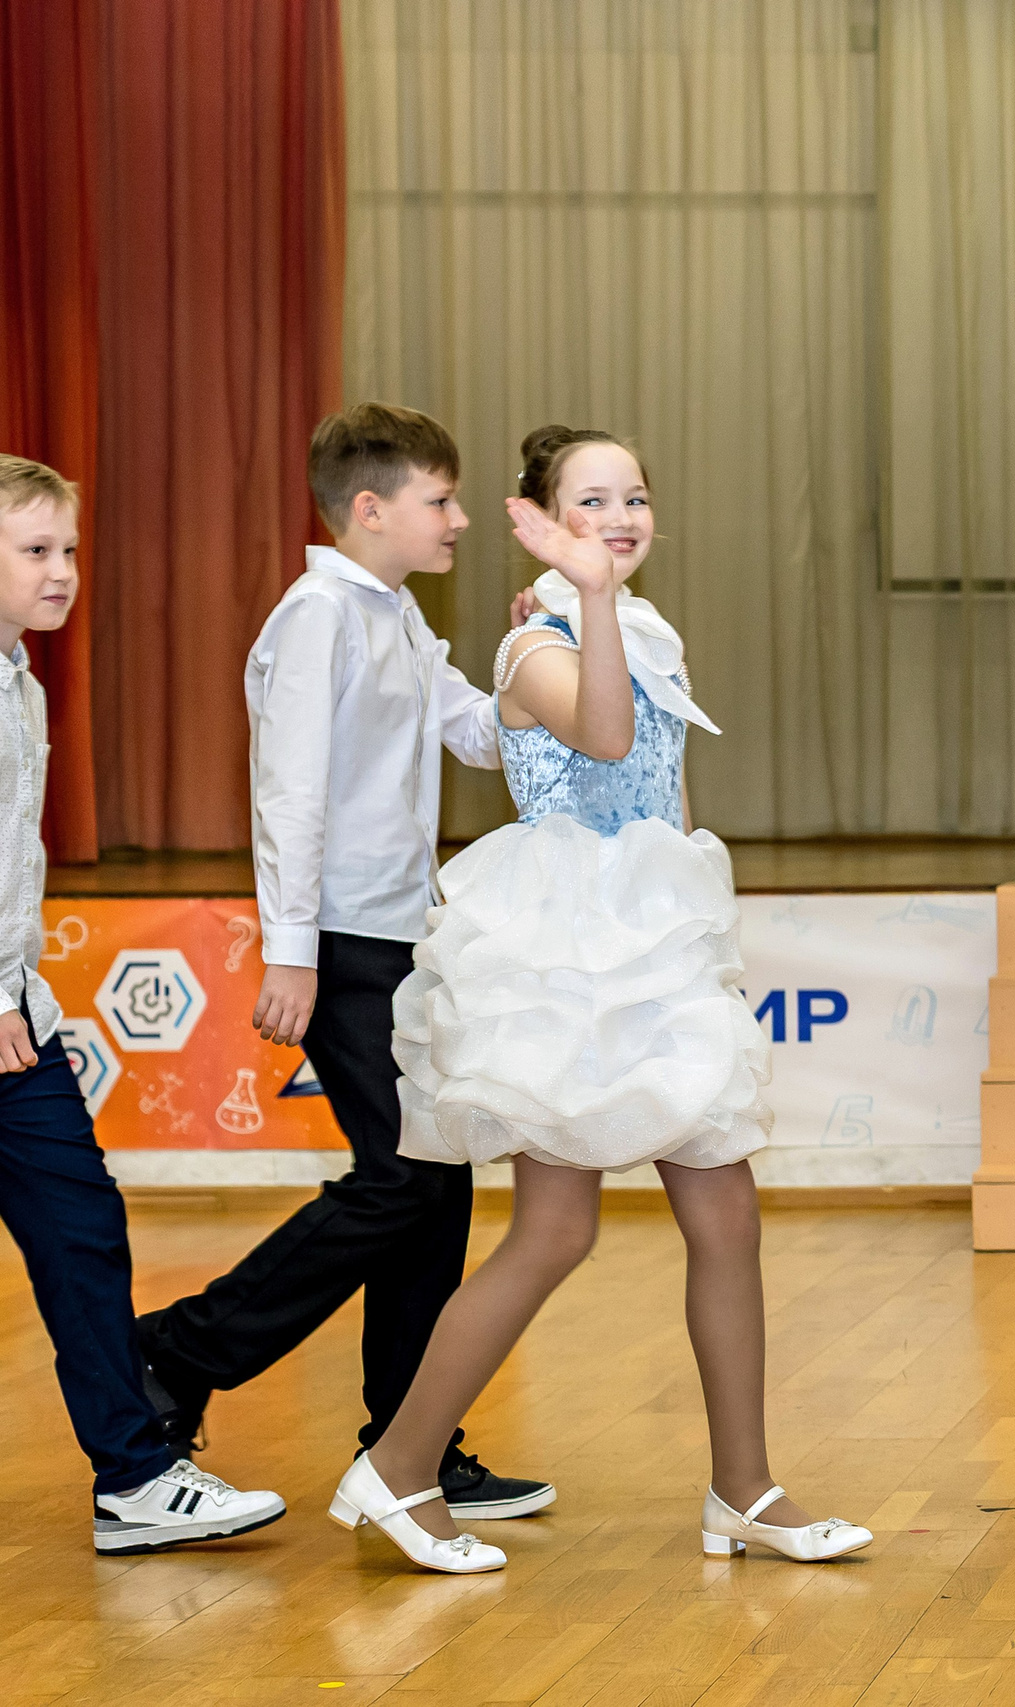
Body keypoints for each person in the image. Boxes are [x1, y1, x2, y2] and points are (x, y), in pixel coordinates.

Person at [326, 425, 866, 1574]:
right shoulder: (532, 648)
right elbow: (607, 736)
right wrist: (586, 599)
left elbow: (660, 786)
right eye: (591, 501)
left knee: (726, 1217)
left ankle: (744, 1490)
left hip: (651, 939)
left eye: (634, 496)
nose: (621, 516)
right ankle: (401, 1466)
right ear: (542, 519)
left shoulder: (643, 624)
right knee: (554, 1231)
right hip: (567, 950)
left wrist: (686, 918)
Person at [135, 404, 553, 1525]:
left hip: (401, 934)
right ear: (369, 511)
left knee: (435, 1184)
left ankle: (409, 1441)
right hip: (344, 943)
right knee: (401, 1181)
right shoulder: (318, 616)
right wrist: (294, 951)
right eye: (440, 500)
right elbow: (290, 791)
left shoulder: (396, 615)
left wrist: (539, 644)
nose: (461, 519)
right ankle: (179, 1352)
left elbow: (475, 729)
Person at [0, 456, 287, 1553]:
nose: (65, 571)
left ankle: (134, 1475)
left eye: (70, 549)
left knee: (82, 1233)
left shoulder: (21, 681)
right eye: (37, 551)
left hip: (20, 1022)